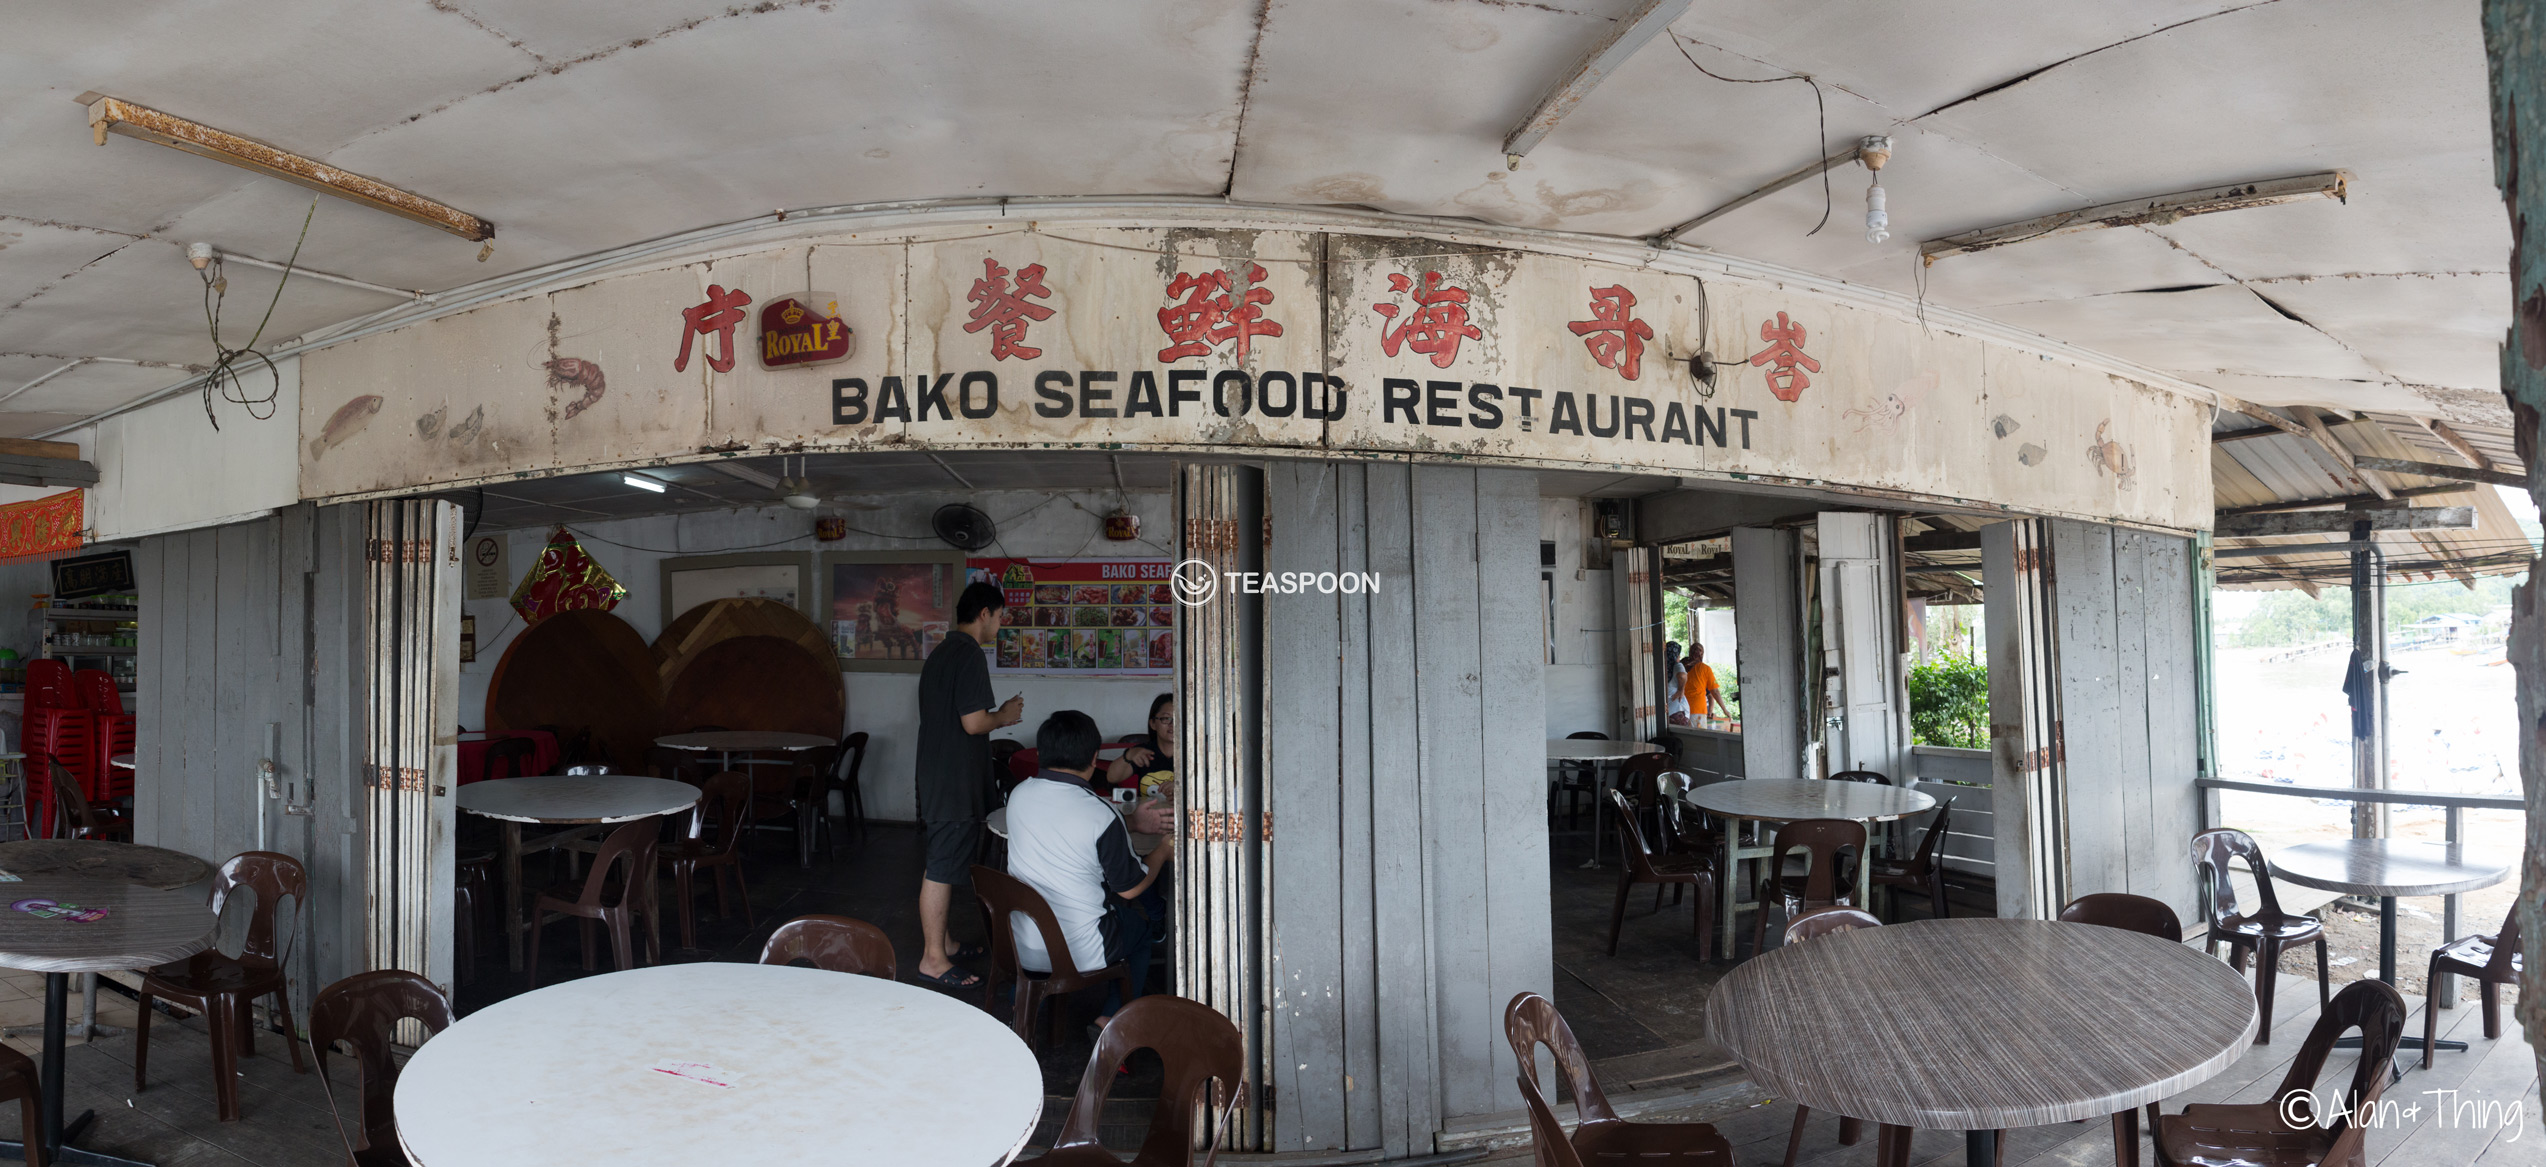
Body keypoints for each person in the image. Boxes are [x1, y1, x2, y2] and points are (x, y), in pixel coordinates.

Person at [1004, 709, 1174, 1029]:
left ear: (1041, 752)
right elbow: (1131, 887)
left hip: (1020, 944)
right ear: (1095, 758)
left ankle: (1020, 999)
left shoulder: (1020, 794)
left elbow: (1067, 822)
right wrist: (1163, 851)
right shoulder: (1099, 814)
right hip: (1080, 952)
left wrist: (1130, 822)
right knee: (1139, 929)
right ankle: (1109, 1021)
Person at [913, 580, 1023, 988]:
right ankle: (933, 959)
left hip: (939, 772)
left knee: (941, 860)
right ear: (983, 614)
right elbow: (974, 722)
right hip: (954, 779)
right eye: (999, 616)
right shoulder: (970, 654)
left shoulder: (941, 652)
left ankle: (946, 943)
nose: (1001, 624)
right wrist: (1006, 715)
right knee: (941, 867)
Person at [1106, 693, 1177, 795]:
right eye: (1166, 718)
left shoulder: (1196, 755)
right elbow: (1112, 778)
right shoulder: (1143, 752)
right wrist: (1129, 755)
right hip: (1147, 810)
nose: (1172, 725)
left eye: (1179, 718)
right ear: (1153, 723)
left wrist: (1182, 787)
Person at [1685, 643, 1732, 723]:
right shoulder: (1706, 669)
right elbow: (1715, 691)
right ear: (1702, 654)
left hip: (1682, 710)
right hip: (1698, 710)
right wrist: (1724, 710)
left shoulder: (1682, 666)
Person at [1662, 642, 1691, 725]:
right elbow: (1682, 676)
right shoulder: (1677, 665)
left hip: (1666, 711)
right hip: (1677, 709)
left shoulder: (1660, 666)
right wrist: (1680, 690)